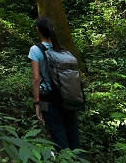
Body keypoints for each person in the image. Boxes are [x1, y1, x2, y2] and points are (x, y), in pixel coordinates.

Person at [29, 16, 80, 152]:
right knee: (74, 136)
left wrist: (37, 103)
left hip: (48, 100)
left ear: (37, 30)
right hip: (68, 97)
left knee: (59, 137)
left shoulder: (35, 50)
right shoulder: (62, 49)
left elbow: (36, 78)